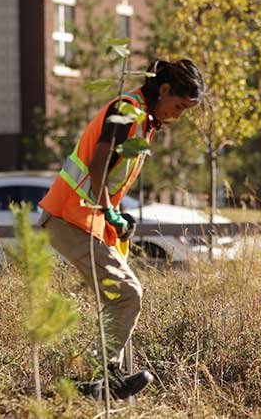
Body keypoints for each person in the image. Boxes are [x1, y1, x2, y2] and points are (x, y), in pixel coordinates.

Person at [38, 59, 204, 399]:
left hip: (82, 219)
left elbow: (108, 177)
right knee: (127, 294)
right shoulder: (125, 111)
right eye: (179, 106)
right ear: (164, 90)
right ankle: (98, 378)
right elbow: (98, 166)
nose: (178, 115)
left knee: (119, 298)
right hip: (69, 217)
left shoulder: (143, 120)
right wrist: (111, 212)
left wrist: (115, 215)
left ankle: (88, 379)